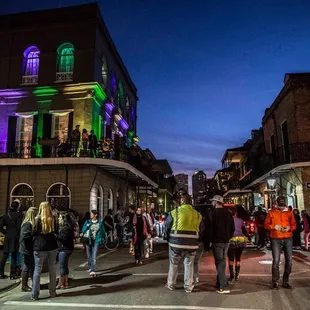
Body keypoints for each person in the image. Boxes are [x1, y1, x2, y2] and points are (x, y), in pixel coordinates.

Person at [165, 191, 202, 293]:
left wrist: (167, 238)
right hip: (192, 244)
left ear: (182, 201)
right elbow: (200, 228)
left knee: (174, 264)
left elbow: (167, 226)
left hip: (175, 244)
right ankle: (188, 287)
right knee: (189, 265)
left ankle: (171, 284)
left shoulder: (174, 212)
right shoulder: (198, 215)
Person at [264, 196, 296, 290]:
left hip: (288, 237)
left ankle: (286, 281)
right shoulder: (271, 212)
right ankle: (275, 281)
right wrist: (274, 226)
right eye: (280, 205)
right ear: (277, 203)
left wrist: (289, 228)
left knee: (289, 261)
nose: (282, 207)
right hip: (275, 238)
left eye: (283, 205)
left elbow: (294, 225)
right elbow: (266, 225)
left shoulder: (289, 213)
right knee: (276, 261)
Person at [205, 195, 234, 294]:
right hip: (226, 241)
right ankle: (219, 282)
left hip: (216, 241)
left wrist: (207, 242)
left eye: (213, 201)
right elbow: (232, 228)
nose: (212, 203)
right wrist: (228, 237)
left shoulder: (211, 214)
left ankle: (224, 286)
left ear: (216, 202)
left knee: (220, 262)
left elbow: (208, 229)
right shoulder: (228, 214)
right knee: (222, 262)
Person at [32, 201, 58, 300]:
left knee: (37, 270)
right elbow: (56, 231)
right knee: (52, 269)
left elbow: (33, 232)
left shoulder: (37, 219)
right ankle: (52, 292)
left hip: (39, 246)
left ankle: (35, 294)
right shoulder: (53, 219)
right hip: (51, 246)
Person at [227, 208, 251, 282]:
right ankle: (237, 274)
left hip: (231, 240)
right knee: (238, 258)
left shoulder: (228, 220)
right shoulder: (240, 220)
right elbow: (244, 230)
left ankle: (231, 275)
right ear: (236, 213)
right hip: (240, 241)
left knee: (230, 258)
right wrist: (249, 238)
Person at [0, 201, 23, 279]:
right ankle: (12, 275)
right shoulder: (19, 215)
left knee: (5, 255)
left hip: (7, 236)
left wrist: (5, 232)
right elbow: (19, 227)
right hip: (15, 237)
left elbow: (0, 226)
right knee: (14, 255)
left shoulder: (5, 215)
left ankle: (1, 273)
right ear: (17, 207)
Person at [81, 210, 106, 277]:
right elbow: (83, 230)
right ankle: (90, 267)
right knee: (89, 256)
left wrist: (104, 239)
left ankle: (92, 270)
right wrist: (87, 226)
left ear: (96, 215)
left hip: (96, 241)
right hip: (88, 241)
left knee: (94, 256)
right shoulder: (87, 221)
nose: (90, 215)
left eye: (92, 214)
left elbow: (103, 231)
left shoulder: (100, 223)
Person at [19, 207, 38, 291]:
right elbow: (25, 237)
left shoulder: (27, 223)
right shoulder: (27, 224)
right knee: (26, 266)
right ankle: (24, 285)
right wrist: (33, 237)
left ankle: (30, 283)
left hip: (26, 248)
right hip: (26, 249)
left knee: (29, 266)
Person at [56, 212, 74, 289]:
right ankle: (65, 283)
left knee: (62, 266)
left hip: (64, 249)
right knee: (64, 266)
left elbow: (64, 238)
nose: (58, 219)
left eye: (60, 217)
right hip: (66, 248)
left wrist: (55, 235)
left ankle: (61, 283)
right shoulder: (66, 227)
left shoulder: (66, 228)